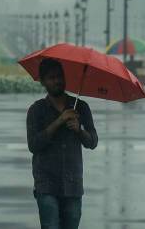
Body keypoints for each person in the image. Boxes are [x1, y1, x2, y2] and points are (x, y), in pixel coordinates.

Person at [26, 58, 98, 229]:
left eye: (60, 76)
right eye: (51, 77)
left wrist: (79, 130)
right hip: (46, 183)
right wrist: (59, 121)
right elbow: (34, 145)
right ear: (43, 81)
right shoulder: (36, 110)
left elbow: (93, 142)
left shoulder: (80, 107)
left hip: (73, 184)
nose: (57, 81)